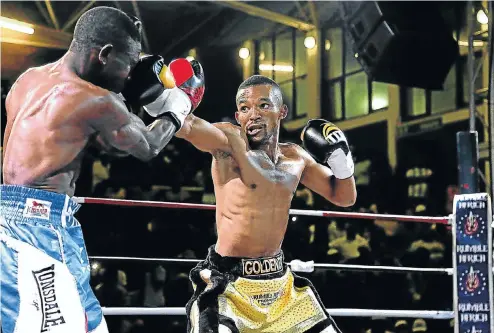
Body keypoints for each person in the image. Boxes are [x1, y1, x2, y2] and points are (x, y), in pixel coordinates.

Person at [0, 6, 204, 333]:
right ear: (105, 54)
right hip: (42, 228)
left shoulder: (28, 80)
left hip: (7, 219)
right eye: (128, 63)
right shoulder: (97, 100)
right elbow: (148, 146)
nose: (129, 74)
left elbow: (93, 143)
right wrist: (179, 109)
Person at [164, 74, 355, 332]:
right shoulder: (229, 144)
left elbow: (344, 197)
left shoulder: (296, 158)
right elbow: (188, 127)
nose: (253, 114)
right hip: (230, 285)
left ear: (282, 111)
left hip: (280, 286)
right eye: (245, 108)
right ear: (238, 115)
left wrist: (342, 161)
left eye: (263, 105)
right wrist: (168, 98)